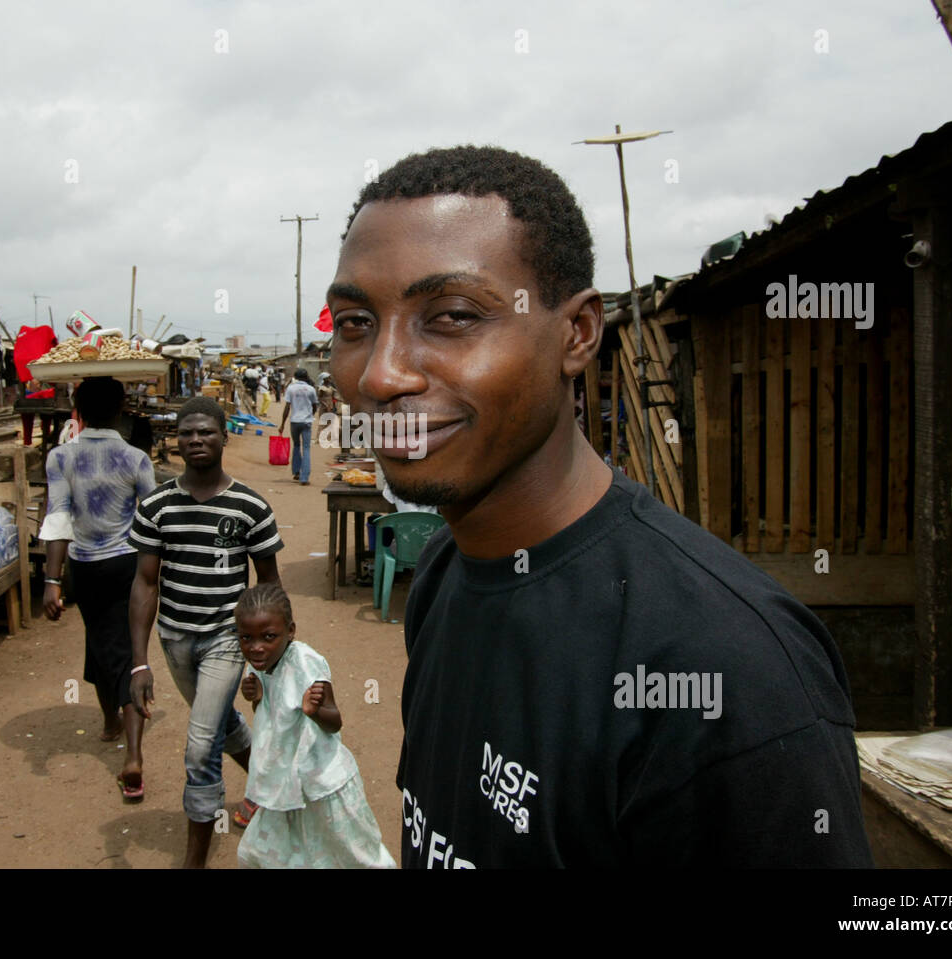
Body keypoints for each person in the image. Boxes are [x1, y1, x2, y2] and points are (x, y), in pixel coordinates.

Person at [327, 145, 873, 868]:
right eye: (357, 323)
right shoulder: (442, 579)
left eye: (452, 315)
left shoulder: (728, 673)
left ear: (577, 334)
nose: (380, 372)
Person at [128, 396, 284, 867]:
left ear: (223, 436)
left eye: (207, 432)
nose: (196, 440)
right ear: (178, 440)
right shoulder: (156, 505)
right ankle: (271, 786)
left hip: (224, 638)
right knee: (218, 723)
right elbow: (145, 583)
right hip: (175, 637)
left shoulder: (249, 506)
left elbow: (270, 584)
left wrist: (269, 657)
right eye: (188, 433)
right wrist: (139, 661)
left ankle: (194, 858)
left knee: (200, 746)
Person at [40, 377, 157, 800]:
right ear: (123, 406)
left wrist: (52, 580)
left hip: (82, 568)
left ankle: (129, 749)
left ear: (77, 408)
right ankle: (123, 738)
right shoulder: (135, 458)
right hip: (127, 567)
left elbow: (58, 518)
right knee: (120, 647)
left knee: (102, 641)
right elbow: (154, 517)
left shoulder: (61, 457)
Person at [234, 583, 396, 868]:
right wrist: (258, 699)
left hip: (321, 782)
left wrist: (315, 711)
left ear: (291, 631)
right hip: (285, 786)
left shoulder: (306, 664)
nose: (256, 647)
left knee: (354, 853)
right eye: (246, 638)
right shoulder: (257, 666)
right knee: (279, 854)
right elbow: (272, 719)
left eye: (268, 637)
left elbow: (335, 722)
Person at [277, 368, 319, 485]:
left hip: (294, 421)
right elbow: (315, 405)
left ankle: (296, 472)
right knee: (306, 449)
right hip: (306, 422)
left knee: (296, 445)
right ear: (306, 377)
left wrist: (282, 424)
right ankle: (304, 478)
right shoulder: (311, 389)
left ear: (295, 377)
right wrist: (311, 414)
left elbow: (287, 407)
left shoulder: (291, 388)